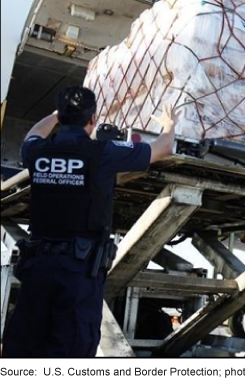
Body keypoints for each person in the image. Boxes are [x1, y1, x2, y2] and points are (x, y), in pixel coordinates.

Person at [3, 86, 178, 357]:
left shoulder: (37, 151)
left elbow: (32, 134)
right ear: (93, 119)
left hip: (38, 266)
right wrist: (169, 125)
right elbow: (164, 148)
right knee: (72, 343)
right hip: (78, 271)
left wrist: (56, 115)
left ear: (60, 117)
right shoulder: (103, 152)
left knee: (26, 341)